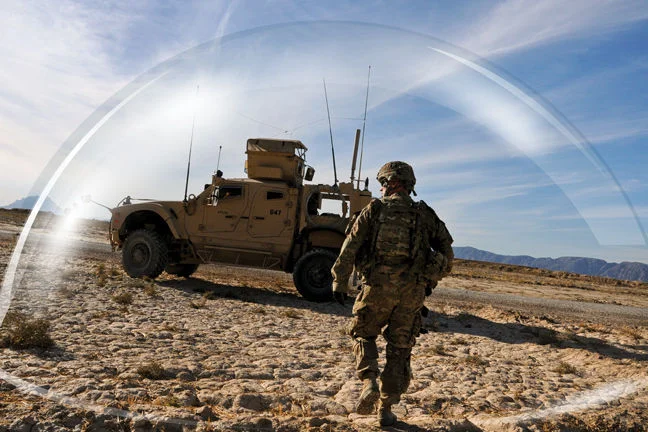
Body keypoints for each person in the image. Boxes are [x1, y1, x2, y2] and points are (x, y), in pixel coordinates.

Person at [331, 161, 454, 426]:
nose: (382, 188)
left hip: (377, 288)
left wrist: (339, 282)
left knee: (363, 333)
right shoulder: (426, 214)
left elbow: (349, 247)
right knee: (400, 349)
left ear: (390, 183)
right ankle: (385, 409)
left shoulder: (374, 210)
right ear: (409, 185)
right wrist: (430, 276)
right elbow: (447, 253)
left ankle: (369, 382)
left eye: (383, 184)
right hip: (412, 293)